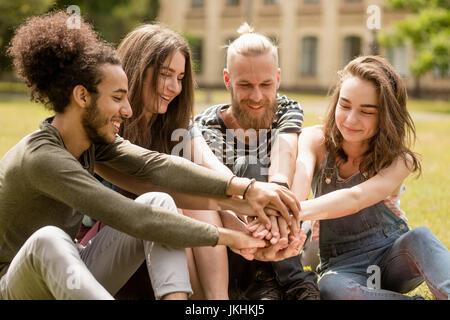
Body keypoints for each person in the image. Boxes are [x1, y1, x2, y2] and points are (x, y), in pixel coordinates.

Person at [0, 11, 301, 300]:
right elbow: (129, 215)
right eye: (118, 98)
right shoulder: (41, 156)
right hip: (16, 286)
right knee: (49, 240)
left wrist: (246, 189)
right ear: (82, 97)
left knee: (160, 201)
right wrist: (232, 237)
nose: (127, 110)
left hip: (74, 271)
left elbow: (158, 166)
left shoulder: (94, 142)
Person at [90, 23, 304, 300]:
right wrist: (241, 213)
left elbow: (212, 171)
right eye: (165, 75)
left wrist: (242, 221)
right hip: (114, 254)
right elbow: (161, 181)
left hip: (163, 254)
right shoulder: (107, 125)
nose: (174, 87)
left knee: (195, 195)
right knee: (175, 202)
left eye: (179, 77)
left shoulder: (177, 125)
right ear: (138, 69)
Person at [248, 55, 450, 299]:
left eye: (366, 111)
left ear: (386, 116)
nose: (351, 120)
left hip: (394, 258)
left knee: (421, 238)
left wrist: (290, 210)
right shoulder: (315, 139)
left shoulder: (400, 159)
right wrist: (284, 213)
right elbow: (298, 185)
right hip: (344, 264)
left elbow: (356, 197)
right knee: (332, 289)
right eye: (344, 106)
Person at [190, 23, 321, 300]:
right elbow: (224, 193)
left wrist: (277, 199)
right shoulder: (205, 127)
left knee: (276, 170)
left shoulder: (287, 108)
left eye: (266, 84)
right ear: (227, 80)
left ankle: (293, 282)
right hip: (235, 240)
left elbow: (284, 153)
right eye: (245, 85)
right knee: (248, 168)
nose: (258, 96)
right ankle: (268, 281)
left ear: (278, 78)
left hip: (287, 234)